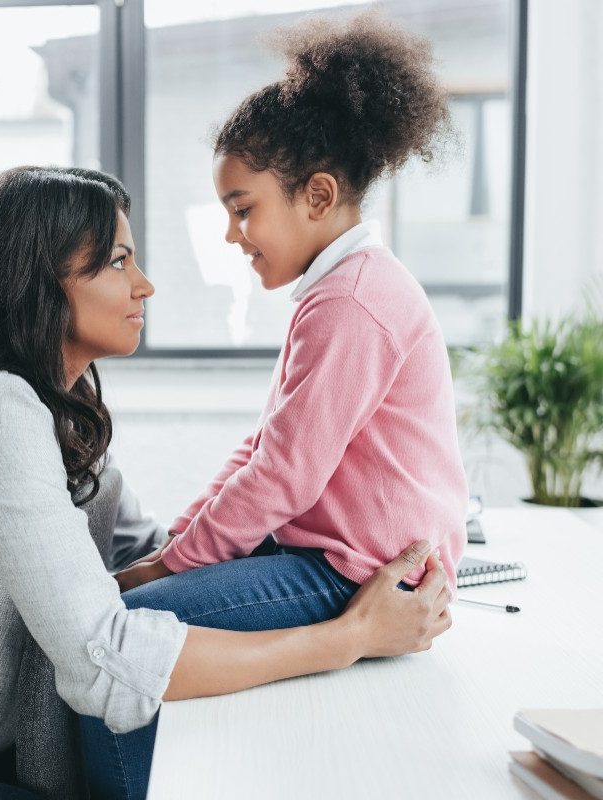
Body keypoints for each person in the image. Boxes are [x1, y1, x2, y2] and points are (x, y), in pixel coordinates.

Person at [0, 165, 450, 800]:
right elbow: (104, 658)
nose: (145, 284)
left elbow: (150, 556)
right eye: (116, 262)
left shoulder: (52, 417)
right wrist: (350, 634)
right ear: (37, 286)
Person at [91, 13, 468, 799]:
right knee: (140, 599)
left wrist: (168, 566)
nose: (233, 235)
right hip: (326, 556)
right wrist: (180, 544)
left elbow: (282, 478)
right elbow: (265, 451)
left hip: (353, 574)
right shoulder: (340, 289)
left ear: (318, 195)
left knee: (123, 642)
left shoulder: (354, 301)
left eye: (243, 208)